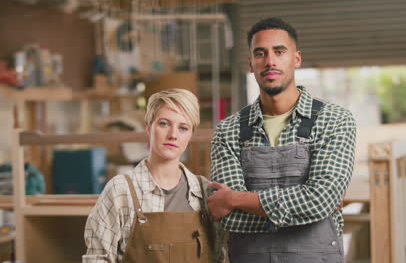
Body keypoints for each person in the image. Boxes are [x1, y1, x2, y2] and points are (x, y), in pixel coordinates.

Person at [208, 17, 356, 263]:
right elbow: (229, 218)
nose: (270, 61)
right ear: (250, 63)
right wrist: (306, 209)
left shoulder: (334, 120)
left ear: (296, 58)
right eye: (260, 53)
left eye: (279, 51)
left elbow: (321, 200)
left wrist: (236, 199)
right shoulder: (228, 130)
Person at [83, 88, 225, 263]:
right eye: (164, 124)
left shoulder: (204, 191)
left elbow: (219, 256)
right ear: (149, 127)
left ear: (190, 135)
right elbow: (97, 259)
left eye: (183, 128)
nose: (173, 135)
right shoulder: (121, 191)